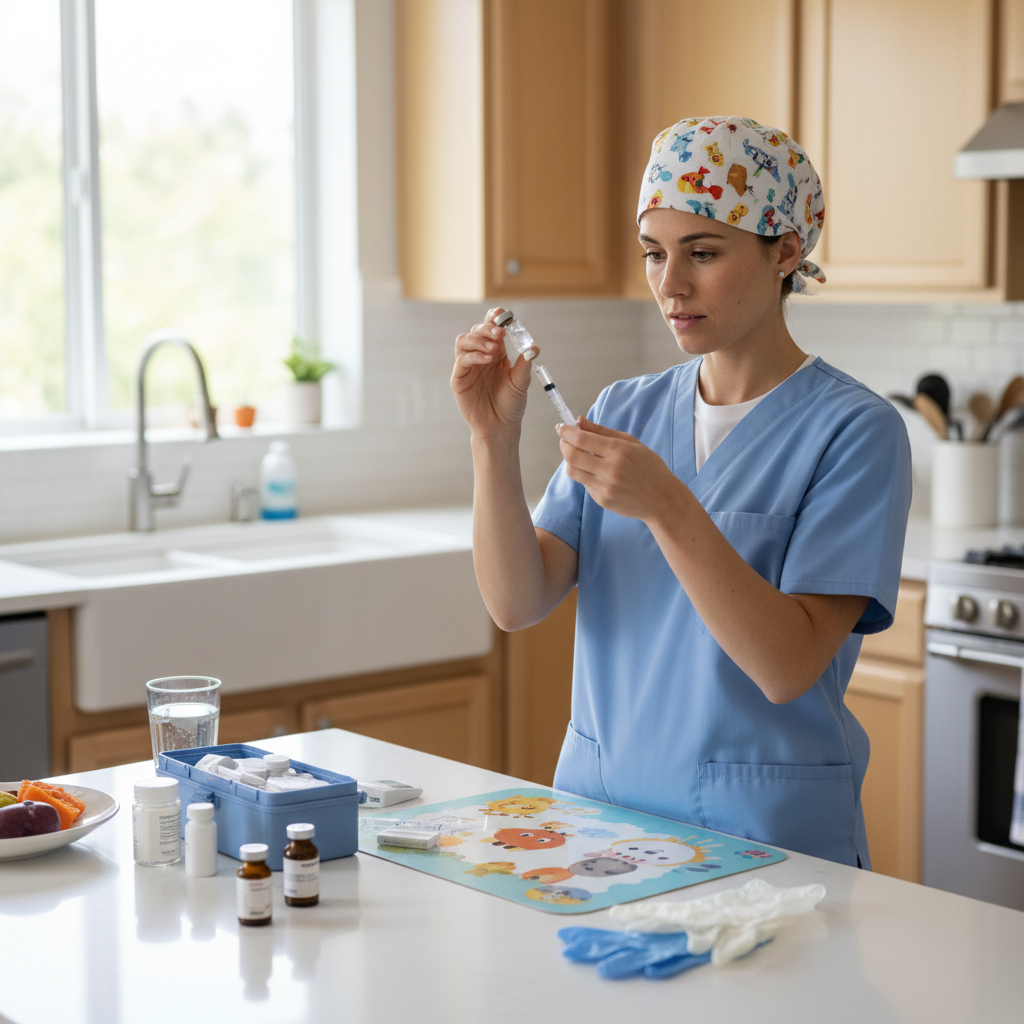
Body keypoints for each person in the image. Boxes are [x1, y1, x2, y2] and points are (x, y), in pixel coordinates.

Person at [450, 115, 911, 868]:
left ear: (785, 250)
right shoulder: (627, 409)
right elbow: (516, 601)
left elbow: (787, 665)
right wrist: (491, 439)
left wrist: (666, 505)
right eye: (654, 254)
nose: (670, 284)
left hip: (765, 841)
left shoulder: (855, 431)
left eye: (702, 252)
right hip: (602, 827)